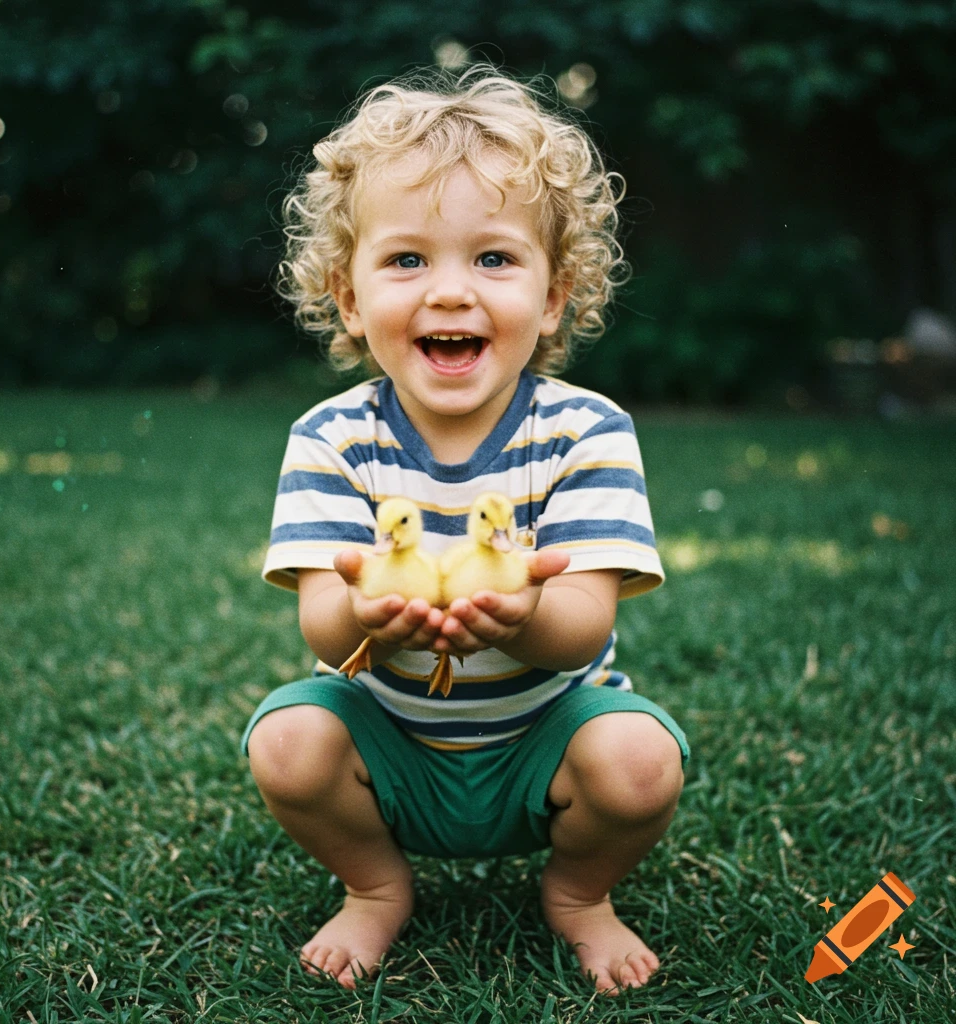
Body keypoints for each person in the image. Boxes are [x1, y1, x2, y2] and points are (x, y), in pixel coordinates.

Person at [241, 65, 689, 995]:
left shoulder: (584, 432)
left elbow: (585, 626)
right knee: (285, 741)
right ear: (351, 296)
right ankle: (374, 883)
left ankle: (577, 894)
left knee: (640, 760)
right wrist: (366, 609)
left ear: (555, 295)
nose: (450, 292)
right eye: (407, 259)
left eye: (493, 258)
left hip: (544, 734)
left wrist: (522, 613)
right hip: (390, 740)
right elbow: (322, 624)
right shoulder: (332, 440)